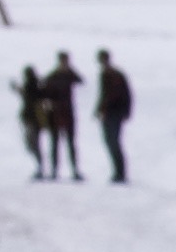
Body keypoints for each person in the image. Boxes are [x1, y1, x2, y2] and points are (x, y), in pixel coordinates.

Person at [93, 48, 133, 185]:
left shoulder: (115, 75)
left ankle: (120, 172)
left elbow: (122, 94)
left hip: (114, 113)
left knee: (114, 142)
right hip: (109, 113)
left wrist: (126, 111)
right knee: (110, 142)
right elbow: (103, 95)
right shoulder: (106, 74)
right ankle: (118, 172)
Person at [46, 51, 84, 181]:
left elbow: (80, 80)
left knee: (71, 143)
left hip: (68, 112)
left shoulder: (69, 75)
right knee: (55, 143)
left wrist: (70, 70)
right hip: (56, 113)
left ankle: (75, 170)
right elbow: (45, 88)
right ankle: (54, 170)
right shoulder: (53, 76)